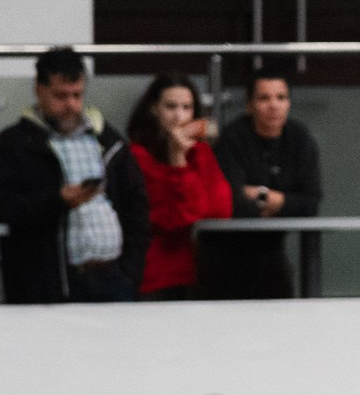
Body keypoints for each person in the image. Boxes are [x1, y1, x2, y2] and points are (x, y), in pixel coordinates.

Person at [0, 46, 150, 304]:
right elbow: (2, 208)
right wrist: (58, 201)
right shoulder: (12, 146)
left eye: (77, 95)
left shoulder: (108, 139)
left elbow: (136, 205)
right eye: (60, 96)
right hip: (50, 284)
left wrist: (131, 270)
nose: (70, 104)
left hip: (113, 274)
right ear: (39, 91)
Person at [207, 69, 323, 300]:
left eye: (281, 97)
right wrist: (281, 202)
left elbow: (310, 203)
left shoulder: (299, 138)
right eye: (264, 98)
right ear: (249, 105)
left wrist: (260, 195)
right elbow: (233, 203)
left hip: (272, 253)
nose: (274, 105)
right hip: (226, 254)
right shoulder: (233, 138)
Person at [125, 73, 232, 300]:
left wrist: (183, 157)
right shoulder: (137, 156)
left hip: (196, 273)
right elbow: (178, 218)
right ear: (154, 109)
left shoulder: (201, 151)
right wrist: (177, 159)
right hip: (154, 276)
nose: (179, 116)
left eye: (187, 107)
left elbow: (221, 210)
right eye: (170, 107)